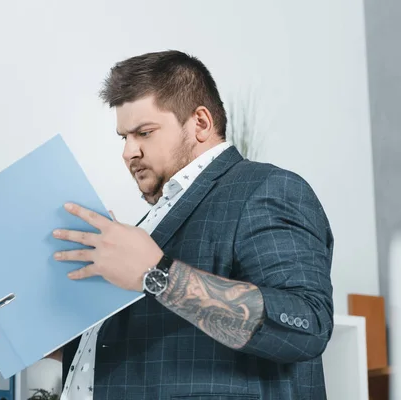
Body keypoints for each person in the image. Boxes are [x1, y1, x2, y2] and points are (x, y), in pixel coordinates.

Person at [50, 50, 334, 400]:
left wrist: (157, 274)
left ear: (200, 122)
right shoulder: (150, 222)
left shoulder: (266, 189)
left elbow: (307, 325)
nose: (128, 152)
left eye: (144, 133)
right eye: (124, 137)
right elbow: (152, 343)